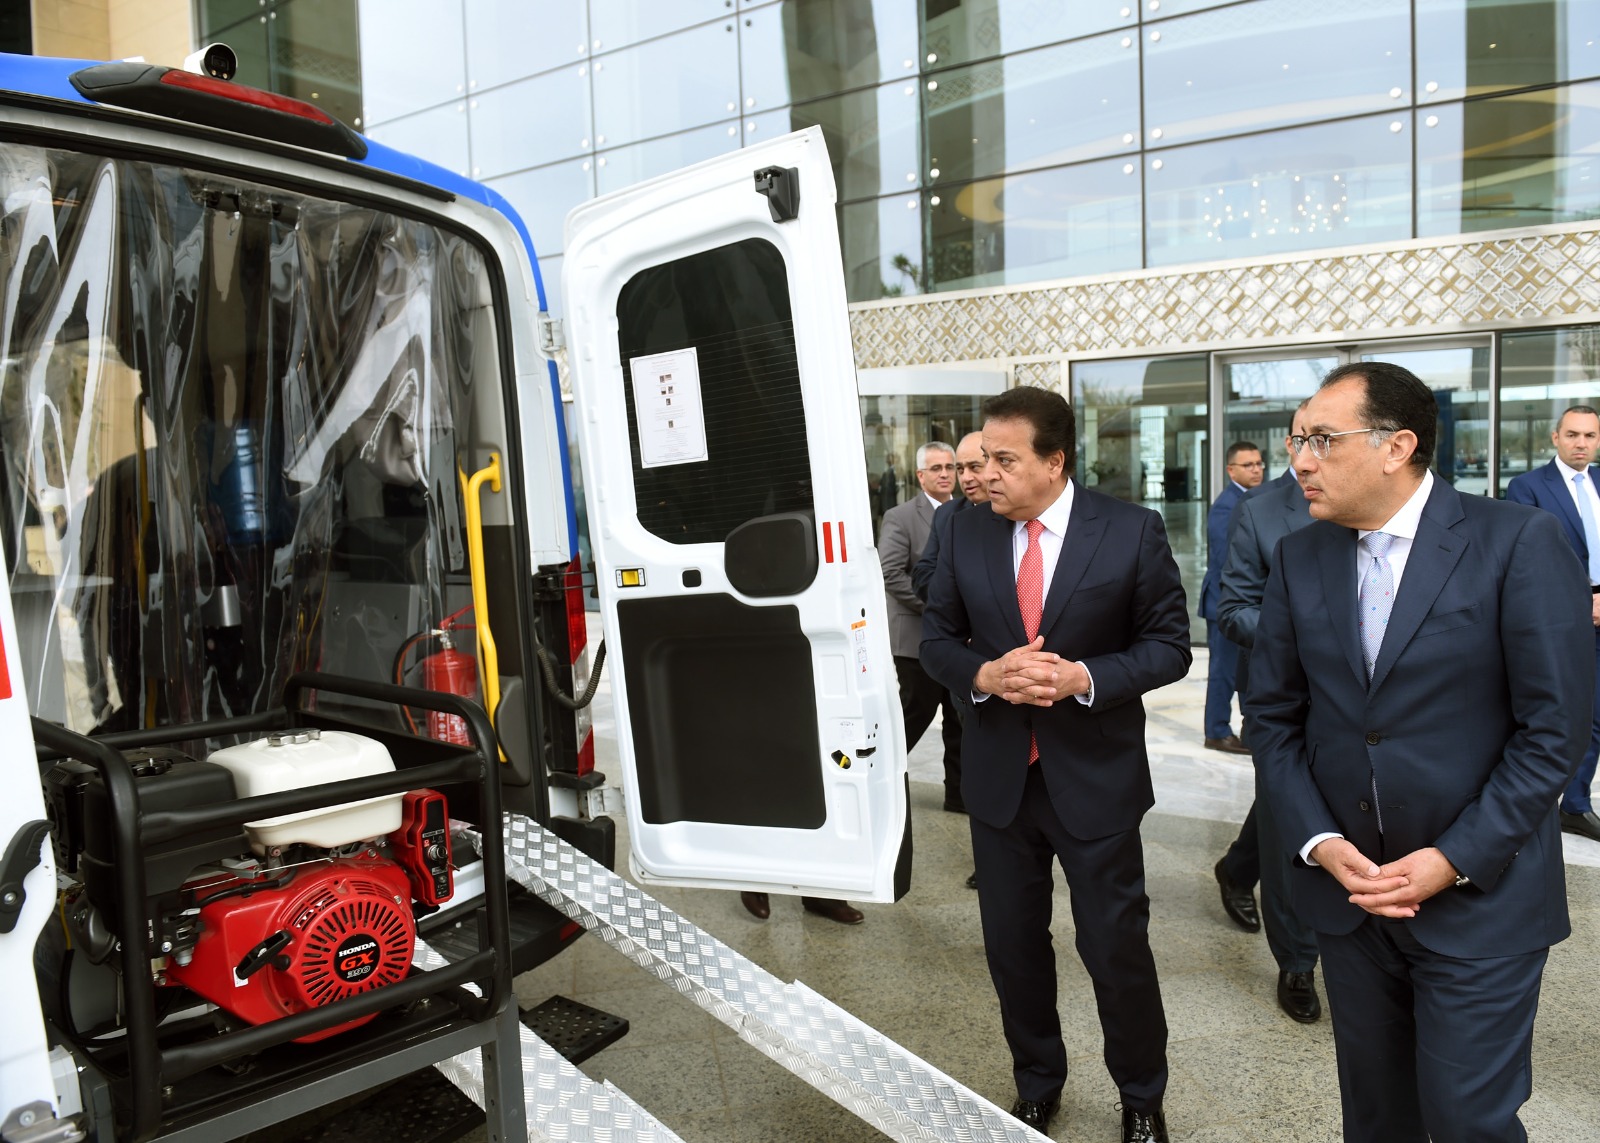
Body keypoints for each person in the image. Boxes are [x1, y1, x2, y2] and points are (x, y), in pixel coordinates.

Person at [1248, 362, 1592, 1143]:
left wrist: (1455, 856)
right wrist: (1318, 839)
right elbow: (1271, 715)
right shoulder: (1301, 556)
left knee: (1468, 1119)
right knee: (1376, 1118)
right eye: (1296, 440)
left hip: (1482, 898)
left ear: (1397, 446)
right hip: (1353, 899)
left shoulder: (1516, 541)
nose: (1299, 460)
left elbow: (1554, 730)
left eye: (1322, 439)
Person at [922, 387, 1189, 1143]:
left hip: (1095, 779)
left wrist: (1084, 677)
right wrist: (984, 674)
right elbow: (937, 639)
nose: (985, 474)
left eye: (1004, 460)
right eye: (982, 458)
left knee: (1115, 948)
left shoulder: (1130, 530)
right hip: (1000, 782)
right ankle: (1038, 1083)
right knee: (1013, 947)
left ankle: (1141, 1097)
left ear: (1055, 462)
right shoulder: (964, 528)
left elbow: (1169, 646)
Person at [1211, 423, 1323, 1025]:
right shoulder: (1259, 510)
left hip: (1369, 706)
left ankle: (1234, 868)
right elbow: (1232, 610)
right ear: (1289, 443)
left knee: (1282, 804)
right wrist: (1314, 634)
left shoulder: (1373, 503)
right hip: (1287, 698)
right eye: (1305, 436)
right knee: (1288, 831)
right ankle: (1298, 961)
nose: (1313, 449)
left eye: (1326, 436)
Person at [1504, 404, 1600, 844]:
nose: (1581, 443)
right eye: (1573, 434)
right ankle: (1545, 805)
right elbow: (1529, 556)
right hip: (1564, 613)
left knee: (1597, 715)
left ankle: (1574, 804)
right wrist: (1583, 600)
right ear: (1555, 438)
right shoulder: (1527, 487)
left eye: (1590, 436)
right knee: (1566, 713)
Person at [879, 441, 963, 811]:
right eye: (936, 468)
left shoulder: (969, 512)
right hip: (915, 638)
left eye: (950, 467)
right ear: (920, 476)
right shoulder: (900, 517)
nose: (945, 474)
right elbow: (890, 572)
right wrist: (936, 609)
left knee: (959, 721)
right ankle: (878, 780)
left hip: (958, 641)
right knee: (916, 713)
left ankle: (959, 796)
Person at [1198, 441, 1264, 753]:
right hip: (1223, 603)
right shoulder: (1227, 507)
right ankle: (1216, 731)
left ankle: (1249, 729)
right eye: (1248, 465)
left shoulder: (1251, 500)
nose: (1256, 470)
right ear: (1231, 470)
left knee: (1245, 670)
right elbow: (1229, 562)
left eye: (1259, 463)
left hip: (1241, 605)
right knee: (1223, 672)